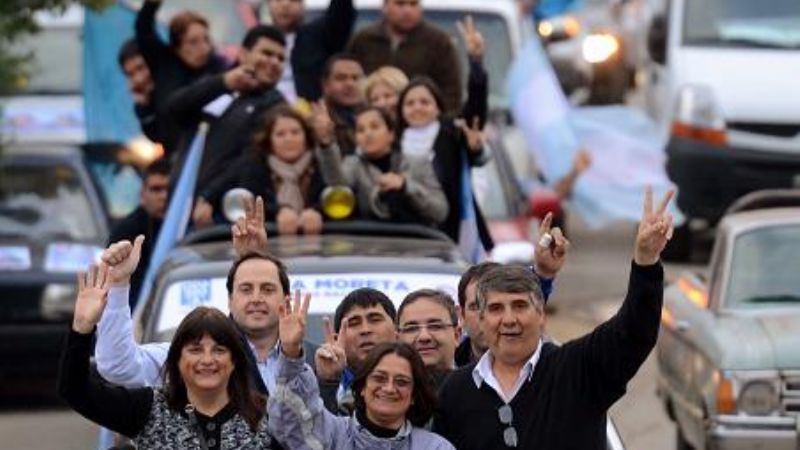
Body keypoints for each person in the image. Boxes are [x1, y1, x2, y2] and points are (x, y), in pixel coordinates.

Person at [433, 189, 675, 449]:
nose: (509, 319)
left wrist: (646, 261)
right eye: (495, 309)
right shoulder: (455, 391)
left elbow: (634, 332)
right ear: (480, 320)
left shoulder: (578, 369)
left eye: (519, 306)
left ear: (540, 314)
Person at [95, 201, 316, 395]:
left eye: (267, 289)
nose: (256, 298)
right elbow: (118, 366)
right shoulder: (195, 359)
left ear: (285, 301)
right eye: (246, 289)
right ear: (229, 299)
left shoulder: (317, 361)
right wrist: (118, 285)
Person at [59, 265, 277, 449]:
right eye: (195, 350)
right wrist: (82, 328)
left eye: (219, 350)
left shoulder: (264, 414)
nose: (208, 360)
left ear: (235, 361)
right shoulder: (148, 408)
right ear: (177, 361)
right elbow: (75, 390)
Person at [268, 292, 455, 449]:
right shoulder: (332, 435)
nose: (389, 388)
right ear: (362, 388)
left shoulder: (435, 447)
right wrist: (291, 353)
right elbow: (291, 426)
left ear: (414, 394)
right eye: (379, 378)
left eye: (402, 382)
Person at [168, 25, 286, 193]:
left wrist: (209, 197)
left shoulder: (277, 107)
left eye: (281, 59)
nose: (274, 62)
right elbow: (173, 109)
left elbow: (247, 159)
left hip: (222, 208)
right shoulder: (217, 83)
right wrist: (223, 83)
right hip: (181, 199)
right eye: (267, 53)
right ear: (244, 54)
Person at [455, 213, 568, 367]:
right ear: (461, 315)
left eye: (495, 307)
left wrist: (544, 272)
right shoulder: (447, 373)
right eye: (476, 307)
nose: (486, 317)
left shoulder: (555, 366)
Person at [193, 106, 325, 235]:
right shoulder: (254, 165)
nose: (289, 139)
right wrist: (280, 211)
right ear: (269, 141)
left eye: (295, 132)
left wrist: (315, 211)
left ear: (306, 136)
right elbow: (243, 194)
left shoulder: (322, 163)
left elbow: (337, 192)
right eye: (280, 134)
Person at [397, 77, 491, 252]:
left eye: (425, 102)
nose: (417, 107)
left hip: (449, 234)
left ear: (438, 107)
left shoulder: (451, 137)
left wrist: (476, 67)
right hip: (405, 235)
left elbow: (475, 112)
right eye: (410, 103)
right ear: (401, 110)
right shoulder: (392, 141)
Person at [313, 104, 448, 225]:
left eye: (375, 127)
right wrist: (326, 144)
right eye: (361, 130)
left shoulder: (417, 163)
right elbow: (338, 185)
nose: (368, 134)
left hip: (416, 241)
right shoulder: (354, 164)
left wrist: (405, 186)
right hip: (372, 241)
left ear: (391, 134)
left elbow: (440, 211)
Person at [135, 0, 227, 153]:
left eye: (206, 40)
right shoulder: (164, 63)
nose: (203, 48)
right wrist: (151, 5)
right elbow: (143, 29)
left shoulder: (219, 71)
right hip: (174, 156)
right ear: (177, 47)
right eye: (193, 42)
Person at [348, 0, 462, 116]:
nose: (407, 11)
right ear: (385, 6)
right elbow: (350, 81)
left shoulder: (439, 43)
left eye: (413, 4)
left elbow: (451, 93)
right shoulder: (364, 40)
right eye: (400, 4)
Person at [314, 288, 398, 415]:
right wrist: (327, 383)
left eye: (375, 319)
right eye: (354, 323)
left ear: (397, 332)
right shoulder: (311, 384)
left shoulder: (418, 380)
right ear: (338, 340)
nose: (365, 330)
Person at [265, 0, 356, 103]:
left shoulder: (318, 36)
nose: (285, 5)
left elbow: (341, 13)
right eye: (278, 0)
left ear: (303, 5)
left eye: (293, 1)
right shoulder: (259, 38)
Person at [108, 159, 170, 307]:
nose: (164, 196)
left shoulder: (186, 227)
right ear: (143, 194)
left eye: (169, 189)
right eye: (156, 189)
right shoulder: (127, 231)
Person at [396, 289, 460, 387]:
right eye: (412, 329)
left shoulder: (478, 390)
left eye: (435, 326)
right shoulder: (385, 395)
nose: (424, 337)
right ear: (398, 339)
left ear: (456, 335)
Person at [319, 54, 367, 155]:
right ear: (325, 85)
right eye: (341, 78)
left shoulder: (376, 117)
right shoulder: (317, 123)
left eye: (355, 78)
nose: (350, 84)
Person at [117, 39, 159, 144]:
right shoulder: (144, 105)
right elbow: (158, 138)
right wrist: (144, 106)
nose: (138, 79)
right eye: (131, 74)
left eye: (140, 68)